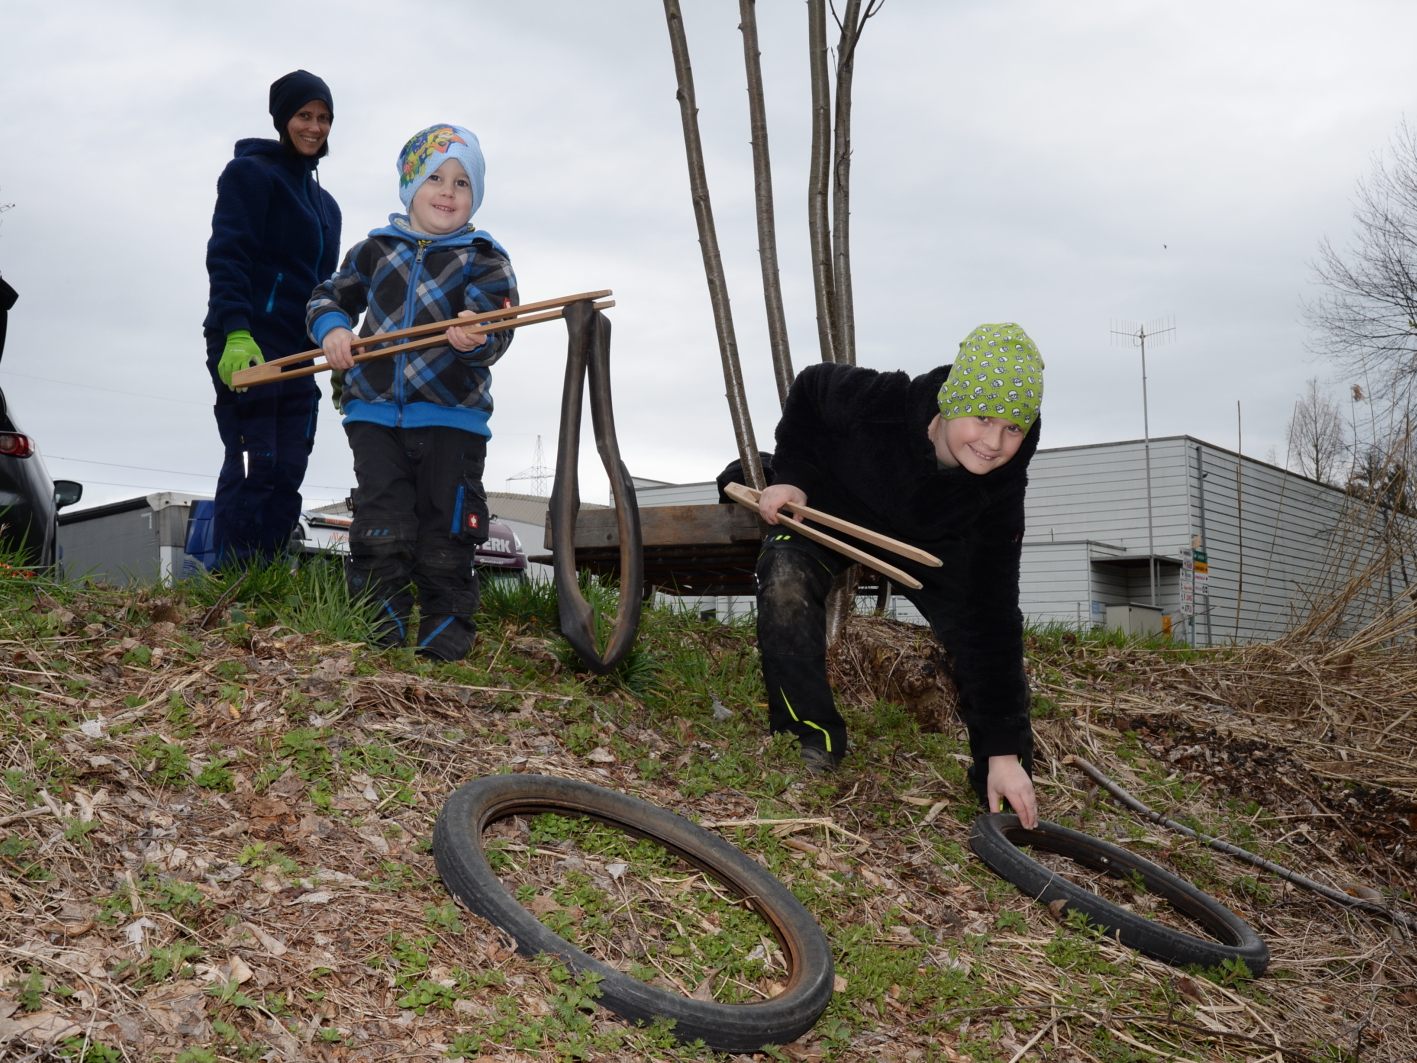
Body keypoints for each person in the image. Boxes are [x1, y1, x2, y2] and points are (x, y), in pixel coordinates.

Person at [753, 323, 1045, 827]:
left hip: (935, 544)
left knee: (985, 624)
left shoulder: (998, 495)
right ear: (951, 402)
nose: (995, 442)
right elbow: (810, 388)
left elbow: (991, 620)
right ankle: (810, 738)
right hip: (834, 511)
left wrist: (1003, 753)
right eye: (981, 417)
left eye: (1013, 428)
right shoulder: (880, 404)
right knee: (784, 577)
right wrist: (794, 478)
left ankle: (997, 777)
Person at [306, 124, 518, 661]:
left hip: (453, 419)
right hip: (373, 414)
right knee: (382, 525)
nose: (448, 192)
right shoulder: (375, 250)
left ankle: (444, 639)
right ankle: (380, 633)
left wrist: (477, 333)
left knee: (448, 531)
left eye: (462, 183)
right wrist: (333, 329)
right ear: (410, 186)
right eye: (435, 178)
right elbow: (329, 295)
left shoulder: (483, 256)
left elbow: (499, 327)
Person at [203, 69, 341, 567]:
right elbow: (229, 255)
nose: (315, 126)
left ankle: (266, 580)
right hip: (249, 339)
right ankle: (231, 583)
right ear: (284, 118)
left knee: (288, 468)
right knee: (253, 461)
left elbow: (327, 286)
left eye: (324, 117)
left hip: (300, 350)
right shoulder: (250, 175)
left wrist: (337, 341)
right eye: (305, 115)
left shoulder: (327, 207)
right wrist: (236, 331)